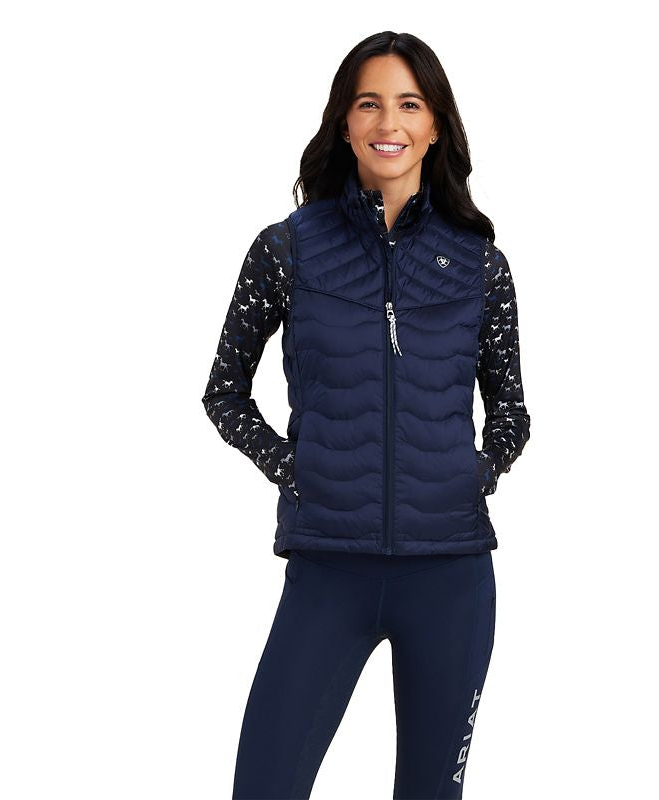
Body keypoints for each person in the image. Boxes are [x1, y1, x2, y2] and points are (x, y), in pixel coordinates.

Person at [201, 30, 531, 800]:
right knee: (264, 786)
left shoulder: (478, 263)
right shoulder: (287, 251)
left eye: (409, 104)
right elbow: (223, 391)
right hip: (328, 568)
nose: (389, 122)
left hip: (450, 574)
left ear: (435, 125)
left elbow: (511, 410)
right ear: (344, 122)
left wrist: (475, 474)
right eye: (369, 103)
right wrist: (296, 469)